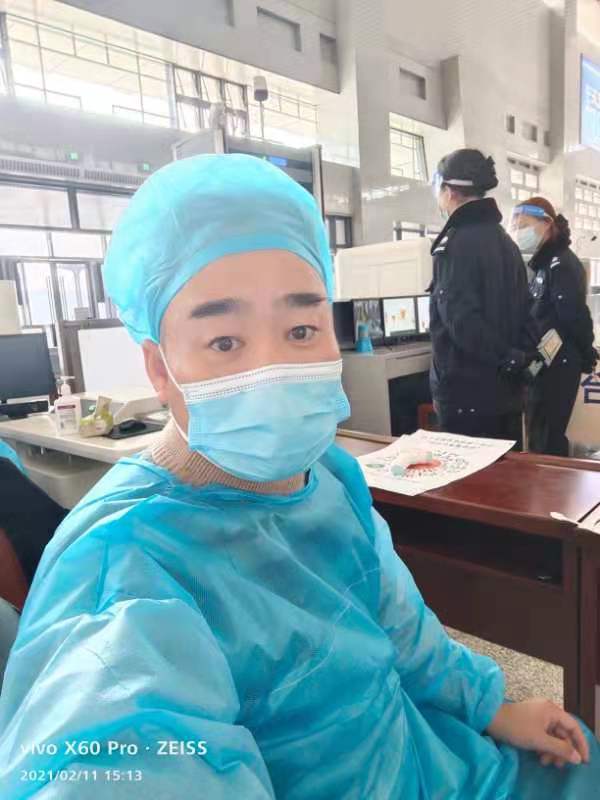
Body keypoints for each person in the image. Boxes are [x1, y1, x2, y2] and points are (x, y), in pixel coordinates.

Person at [0, 154, 598, 799]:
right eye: (225, 341)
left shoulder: (329, 479)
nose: (274, 367)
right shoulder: (125, 568)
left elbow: (400, 625)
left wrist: (491, 706)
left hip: (432, 763)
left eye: (302, 328)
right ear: (158, 367)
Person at [430, 148, 534, 442]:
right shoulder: (506, 242)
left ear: (449, 191)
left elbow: (461, 322)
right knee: (507, 469)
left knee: (471, 471)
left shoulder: (454, 244)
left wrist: (503, 357)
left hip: (467, 396)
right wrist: (515, 359)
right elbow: (527, 311)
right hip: (506, 392)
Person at [510, 197, 598, 456]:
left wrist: (587, 353)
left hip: (559, 363)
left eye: (524, 225)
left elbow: (574, 316)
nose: (519, 233)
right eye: (516, 227)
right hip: (543, 362)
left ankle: (553, 480)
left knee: (548, 437)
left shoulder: (562, 263)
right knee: (539, 434)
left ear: (547, 223)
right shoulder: (544, 264)